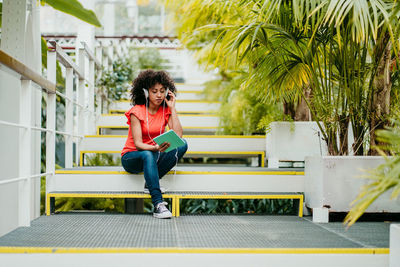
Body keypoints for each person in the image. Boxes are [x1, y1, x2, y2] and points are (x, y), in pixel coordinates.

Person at [121, 70, 188, 219]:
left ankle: (150, 183)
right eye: (154, 91)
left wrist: (172, 108)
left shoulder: (165, 110)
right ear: (145, 93)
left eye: (162, 91)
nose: (159, 95)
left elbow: (178, 135)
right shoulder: (136, 112)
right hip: (132, 157)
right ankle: (158, 204)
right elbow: (138, 144)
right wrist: (155, 148)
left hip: (154, 155)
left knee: (183, 144)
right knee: (146, 153)